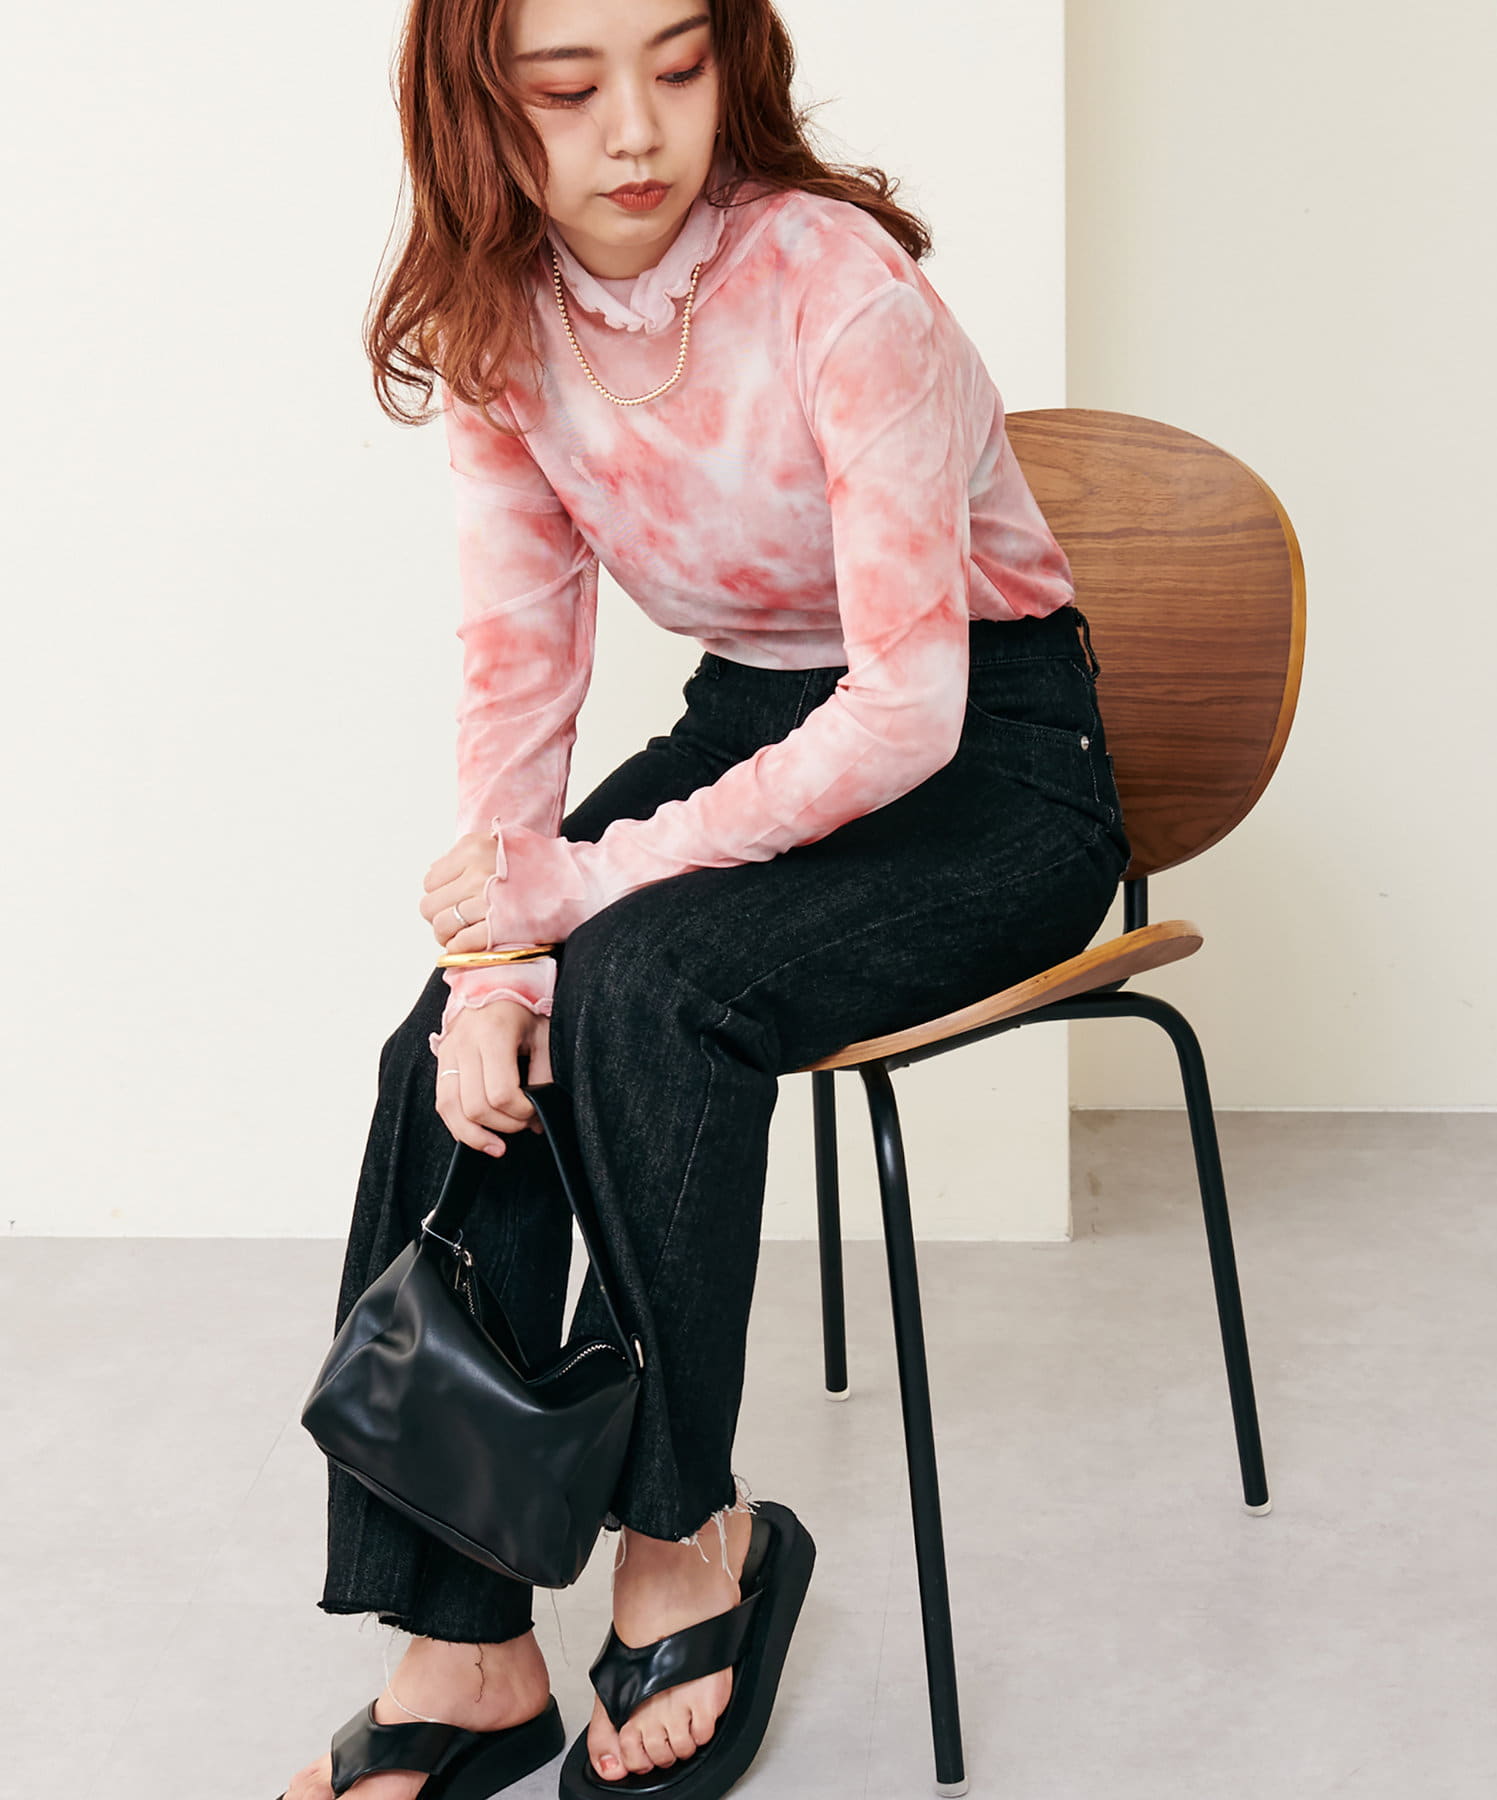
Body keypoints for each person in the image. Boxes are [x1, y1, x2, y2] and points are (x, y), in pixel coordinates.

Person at [284, 1, 1131, 1796]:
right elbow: (519, 676)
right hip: (752, 729)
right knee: (451, 1047)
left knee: (649, 987)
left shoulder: (838, 288)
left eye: (678, 67)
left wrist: (584, 887)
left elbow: (906, 712)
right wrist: (495, 958)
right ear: (477, 108)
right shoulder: (500, 325)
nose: (636, 130)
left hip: (995, 766)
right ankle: (464, 1638)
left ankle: (692, 1544)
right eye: (568, 87)